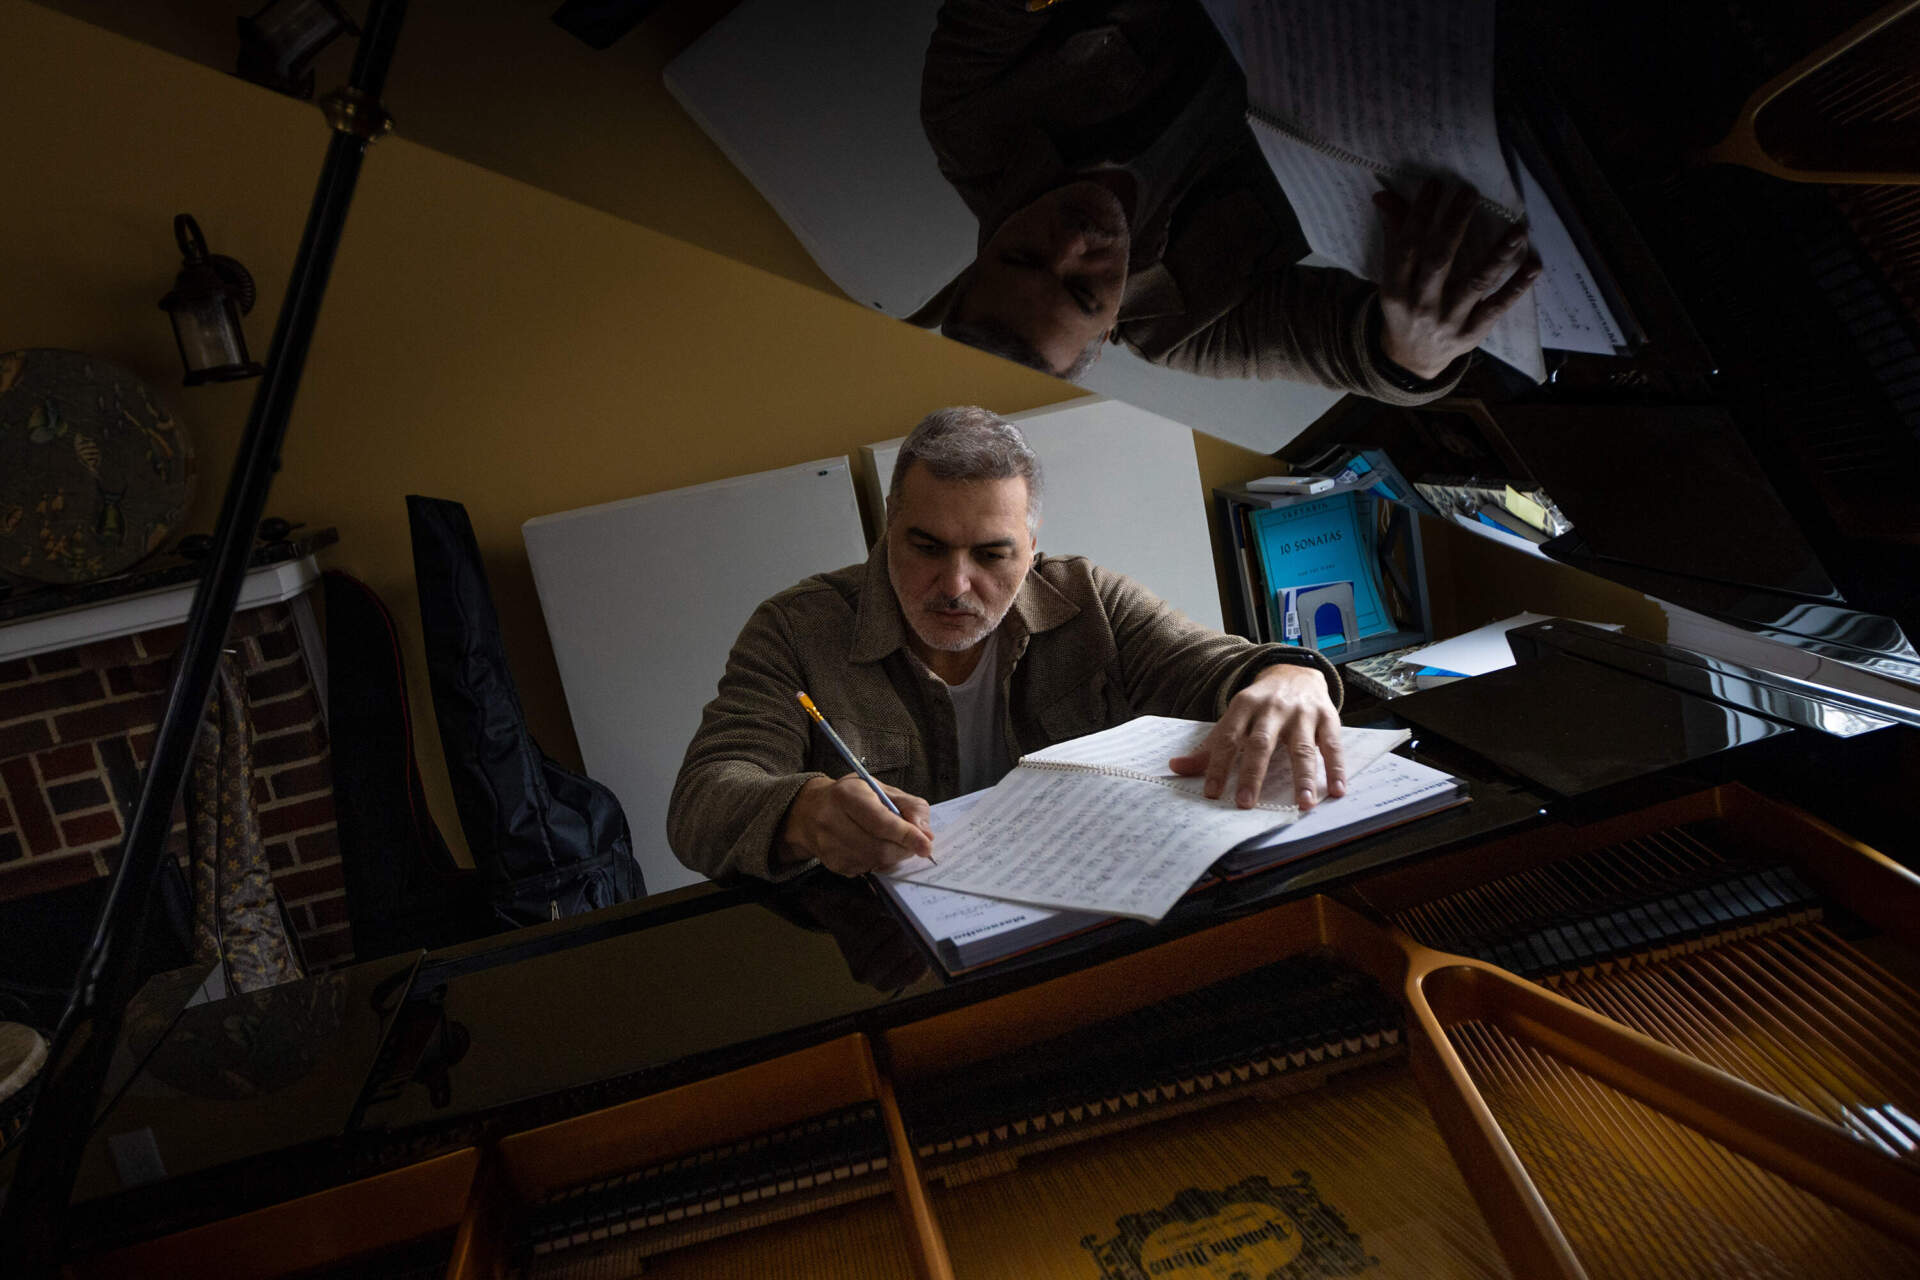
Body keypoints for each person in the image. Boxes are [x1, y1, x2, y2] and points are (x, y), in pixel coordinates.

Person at [668, 406, 1348, 882]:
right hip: (893, 955)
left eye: (992, 555)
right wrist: (806, 812)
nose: (954, 585)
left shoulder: (1090, 602)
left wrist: (1290, 673)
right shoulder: (795, 631)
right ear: (889, 525)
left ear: (1031, 545)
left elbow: (1216, 666)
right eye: (926, 547)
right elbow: (702, 801)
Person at [919, 0, 1540, 399]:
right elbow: (1345, 356)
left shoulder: (966, 112)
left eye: (1022, 255)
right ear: (1107, 333)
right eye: (1084, 290)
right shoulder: (1180, 328)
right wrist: (1412, 354)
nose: (1073, 241)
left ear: (979, 257)